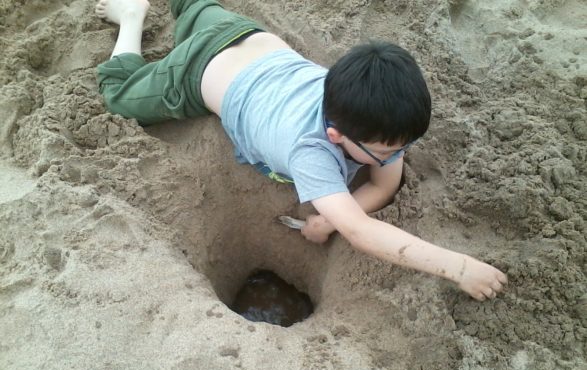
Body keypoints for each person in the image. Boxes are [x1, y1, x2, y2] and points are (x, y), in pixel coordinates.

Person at [95, 0, 508, 301]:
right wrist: (459, 268)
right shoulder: (311, 152)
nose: (395, 157)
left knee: (193, 7)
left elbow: (383, 184)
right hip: (196, 71)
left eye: (405, 145)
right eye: (386, 151)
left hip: (245, 35)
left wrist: (327, 222)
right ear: (336, 136)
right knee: (117, 95)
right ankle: (131, 16)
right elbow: (362, 231)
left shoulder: (370, 112)